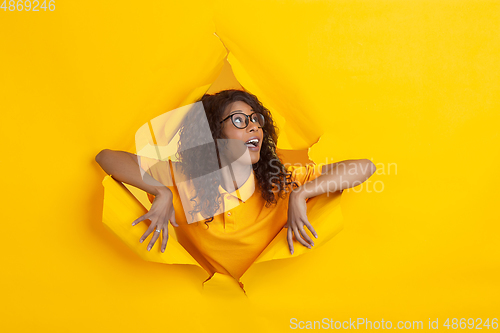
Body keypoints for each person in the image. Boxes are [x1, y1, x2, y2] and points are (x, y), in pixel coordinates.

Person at [95, 89, 376, 282]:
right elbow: (107, 157)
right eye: (240, 121)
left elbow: (364, 166)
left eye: (256, 120)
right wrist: (162, 190)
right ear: (213, 134)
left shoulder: (280, 181)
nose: (254, 127)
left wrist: (302, 194)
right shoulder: (183, 178)